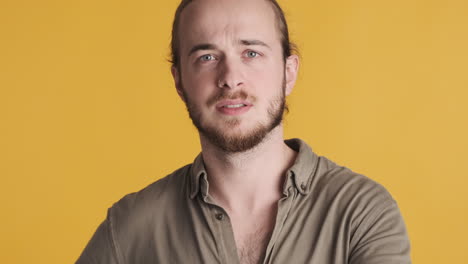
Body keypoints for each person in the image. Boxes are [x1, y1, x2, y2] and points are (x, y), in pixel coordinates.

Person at [76, 0, 411, 263]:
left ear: (288, 72)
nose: (230, 78)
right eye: (207, 57)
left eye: (251, 53)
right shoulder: (130, 226)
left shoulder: (361, 212)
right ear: (179, 82)